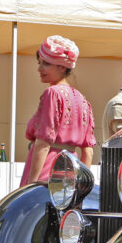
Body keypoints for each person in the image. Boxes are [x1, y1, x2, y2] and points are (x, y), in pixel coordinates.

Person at [18, 36, 96, 187]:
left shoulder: (52, 93)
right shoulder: (83, 100)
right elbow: (88, 151)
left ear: (62, 67)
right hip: (71, 172)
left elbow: (43, 143)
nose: (39, 68)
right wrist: (81, 185)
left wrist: (31, 184)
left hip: (46, 171)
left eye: (46, 64)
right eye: (40, 63)